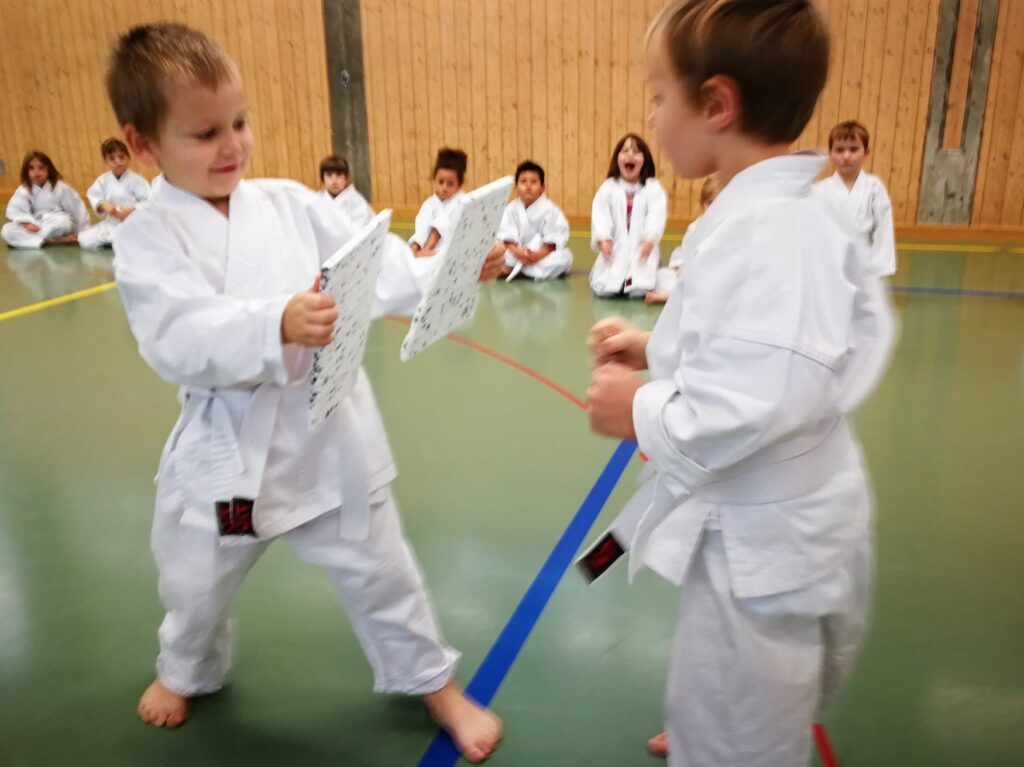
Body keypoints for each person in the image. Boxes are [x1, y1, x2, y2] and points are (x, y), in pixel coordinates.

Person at [106, 23, 503, 763]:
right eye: (205, 133)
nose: (232, 146)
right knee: (194, 577)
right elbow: (175, 336)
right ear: (143, 144)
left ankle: (433, 682)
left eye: (239, 123)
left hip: (327, 441)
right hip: (231, 461)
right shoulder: (146, 239)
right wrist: (275, 322)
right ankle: (186, 666)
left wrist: (449, 267)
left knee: (384, 568)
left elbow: (374, 266)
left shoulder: (289, 204)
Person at [585, 2, 896, 764]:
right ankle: (732, 717)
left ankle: (728, 733)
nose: (652, 118)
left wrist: (638, 409)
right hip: (797, 526)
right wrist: (655, 348)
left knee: (739, 728)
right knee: (752, 693)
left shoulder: (769, 230)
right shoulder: (786, 208)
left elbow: (750, 400)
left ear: (717, 104)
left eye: (660, 96)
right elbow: (753, 346)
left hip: (770, 551)